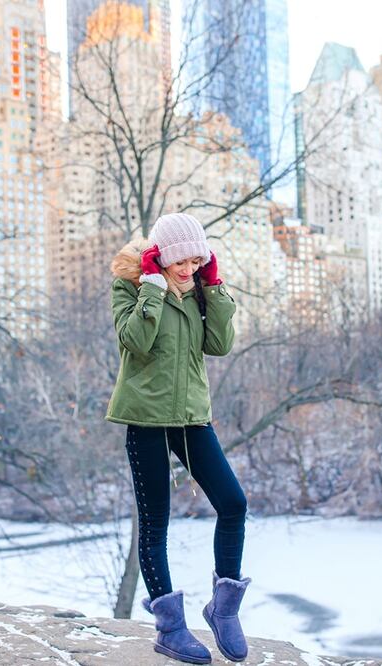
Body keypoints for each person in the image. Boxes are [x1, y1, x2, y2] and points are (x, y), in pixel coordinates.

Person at [105, 212, 251, 664]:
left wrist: (214, 287)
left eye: (196, 260)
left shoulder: (197, 290)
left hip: (192, 419)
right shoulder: (130, 286)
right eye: (180, 261)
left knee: (234, 503)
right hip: (146, 419)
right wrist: (152, 285)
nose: (188, 268)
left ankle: (223, 609)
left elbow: (219, 344)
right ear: (162, 257)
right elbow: (136, 340)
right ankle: (170, 628)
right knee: (156, 524)